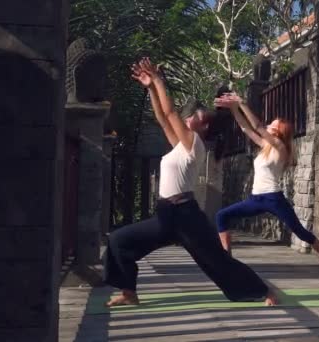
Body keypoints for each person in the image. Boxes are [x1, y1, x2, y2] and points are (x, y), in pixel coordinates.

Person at [103, 58, 277, 307]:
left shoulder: (194, 143)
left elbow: (170, 112)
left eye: (191, 117)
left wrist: (159, 81)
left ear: (201, 125)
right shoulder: (179, 147)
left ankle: (264, 290)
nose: (185, 119)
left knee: (216, 260)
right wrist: (150, 87)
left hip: (186, 216)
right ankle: (129, 293)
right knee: (119, 240)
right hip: (166, 216)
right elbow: (163, 118)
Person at [214, 93, 319, 271]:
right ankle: (227, 258)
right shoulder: (265, 147)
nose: (268, 126)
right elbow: (246, 129)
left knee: (300, 231)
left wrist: (242, 102)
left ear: (278, 132)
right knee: (222, 216)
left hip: (273, 198)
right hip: (255, 199)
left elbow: (257, 126)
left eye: (272, 126)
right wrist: (234, 109)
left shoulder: (281, 148)